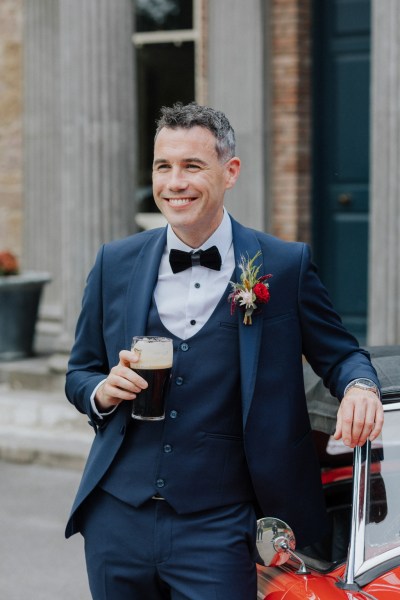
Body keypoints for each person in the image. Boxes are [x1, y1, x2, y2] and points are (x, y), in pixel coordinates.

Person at [65, 102, 383, 599]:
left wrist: (361, 387)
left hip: (220, 526)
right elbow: (80, 371)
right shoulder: (115, 262)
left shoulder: (284, 264)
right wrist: (102, 392)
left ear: (229, 172)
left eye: (192, 166)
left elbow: (341, 354)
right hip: (117, 517)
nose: (174, 183)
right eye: (162, 166)